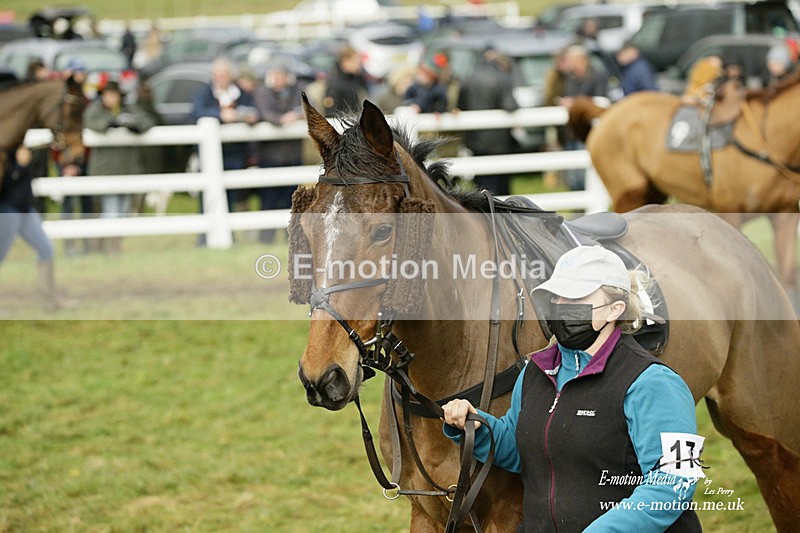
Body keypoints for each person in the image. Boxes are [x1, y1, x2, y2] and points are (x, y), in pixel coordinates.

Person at [442, 246, 702, 532]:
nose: (561, 304)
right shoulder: (534, 372)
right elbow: (520, 450)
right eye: (557, 296)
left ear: (615, 310)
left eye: (576, 296)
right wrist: (475, 426)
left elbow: (676, 482)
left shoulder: (656, 383)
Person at [83, 80, 157, 253]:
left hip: (127, 168)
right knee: (111, 210)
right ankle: (101, 246)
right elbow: (91, 122)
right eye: (108, 95)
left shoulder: (128, 109)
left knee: (123, 211)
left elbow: (147, 121)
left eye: (114, 94)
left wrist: (134, 125)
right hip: (105, 170)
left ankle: (113, 246)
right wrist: (110, 123)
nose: (112, 98)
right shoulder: (96, 110)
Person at [0, 145, 75, 311]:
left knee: (46, 249)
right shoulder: (5, 151)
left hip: (26, 210)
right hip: (8, 210)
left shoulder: (21, 147)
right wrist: (19, 166)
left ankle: (50, 298)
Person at [191, 57, 258, 214]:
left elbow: (253, 110)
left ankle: (230, 235)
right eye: (217, 74)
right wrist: (220, 115)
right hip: (210, 153)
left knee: (233, 197)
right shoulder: (204, 93)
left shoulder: (241, 94)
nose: (220, 78)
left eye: (224, 74)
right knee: (207, 197)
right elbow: (197, 112)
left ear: (231, 75)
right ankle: (204, 236)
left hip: (235, 153)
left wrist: (247, 116)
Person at [252, 62, 304, 243]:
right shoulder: (263, 92)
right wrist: (282, 120)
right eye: (275, 75)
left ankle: (291, 236)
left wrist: (296, 116)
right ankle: (266, 238)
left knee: (292, 199)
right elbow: (264, 113)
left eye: (281, 75)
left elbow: (307, 108)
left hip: (292, 154)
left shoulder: (297, 90)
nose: (278, 79)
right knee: (268, 199)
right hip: (270, 155)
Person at [456, 47, 518, 195]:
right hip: (498, 141)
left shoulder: (468, 77)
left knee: (480, 182)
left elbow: (460, 106)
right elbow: (510, 106)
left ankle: (481, 216)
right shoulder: (501, 78)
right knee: (498, 186)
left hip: (474, 138)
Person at [560, 44, 609, 191]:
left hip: (589, 132)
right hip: (573, 131)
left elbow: (600, 101)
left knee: (586, 176)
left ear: (580, 59)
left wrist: (575, 103)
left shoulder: (598, 76)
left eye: (568, 59)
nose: (566, 62)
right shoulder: (571, 78)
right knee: (573, 176)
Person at [323, 45, 368, 116]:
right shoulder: (335, 84)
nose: (358, 64)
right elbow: (331, 113)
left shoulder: (356, 79)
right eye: (355, 61)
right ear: (345, 61)